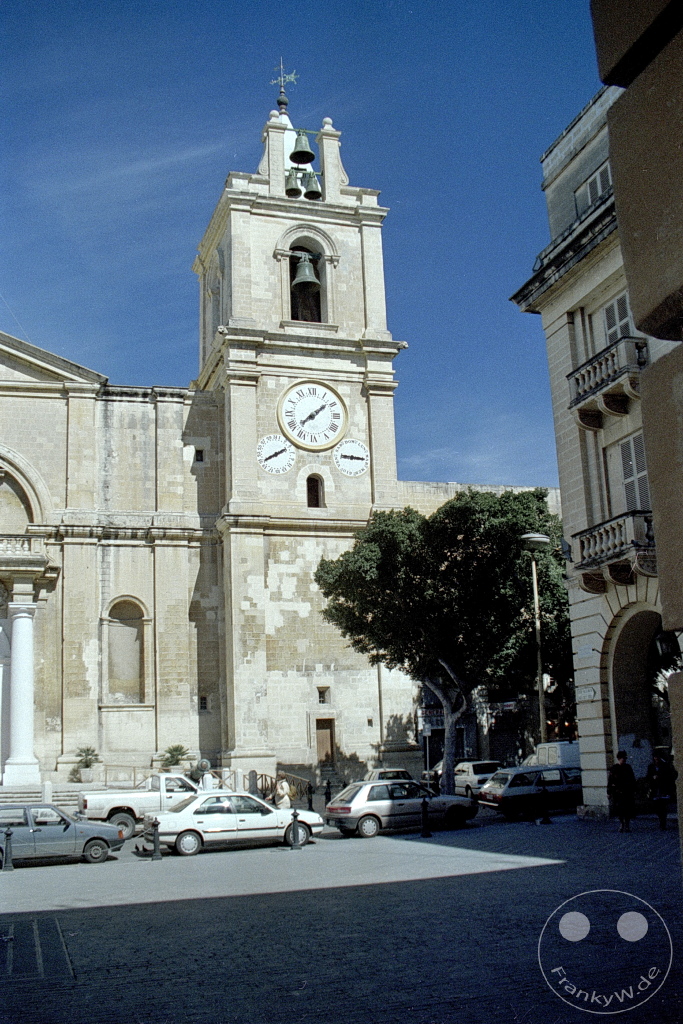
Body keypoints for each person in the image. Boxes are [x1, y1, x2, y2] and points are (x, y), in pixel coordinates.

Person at [646, 753, 678, 831]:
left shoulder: (665, 766)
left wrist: (660, 777)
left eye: (657, 757)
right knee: (657, 807)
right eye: (655, 757)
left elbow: (669, 776)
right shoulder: (651, 767)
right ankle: (661, 819)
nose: (656, 759)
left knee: (663, 807)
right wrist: (652, 778)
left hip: (663, 789)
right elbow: (648, 777)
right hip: (655, 789)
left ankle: (662, 823)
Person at [607, 751, 637, 832]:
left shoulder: (628, 767)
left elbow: (632, 779)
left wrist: (634, 790)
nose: (623, 760)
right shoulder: (614, 768)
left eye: (624, 758)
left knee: (627, 809)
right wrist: (609, 792)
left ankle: (627, 824)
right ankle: (622, 823)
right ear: (618, 759)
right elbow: (610, 781)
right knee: (619, 809)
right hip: (617, 792)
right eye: (621, 758)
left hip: (627, 791)